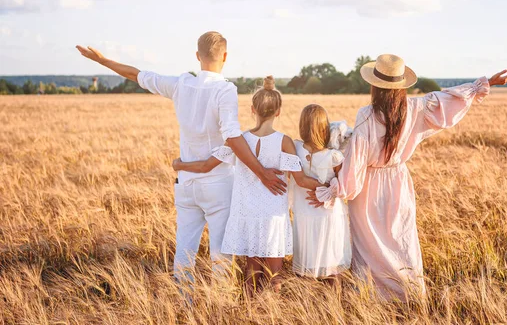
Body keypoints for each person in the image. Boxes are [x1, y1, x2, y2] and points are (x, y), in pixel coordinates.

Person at [74, 32, 287, 286]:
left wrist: (102, 61)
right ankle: (218, 307)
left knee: (184, 251)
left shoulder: (180, 84)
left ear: (197, 56)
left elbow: (137, 75)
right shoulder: (225, 89)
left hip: (186, 183)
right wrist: (262, 173)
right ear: (226, 57)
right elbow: (232, 136)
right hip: (218, 184)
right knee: (220, 254)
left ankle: (184, 303)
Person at [311, 54, 507, 300]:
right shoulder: (416, 108)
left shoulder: (366, 114)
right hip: (398, 181)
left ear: (375, 86)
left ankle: (370, 298)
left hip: (368, 184)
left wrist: (336, 188)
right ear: (401, 86)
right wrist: (485, 84)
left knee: (368, 244)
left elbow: (356, 160)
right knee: (401, 236)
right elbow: (448, 100)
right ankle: (408, 294)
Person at [172, 76, 324, 295]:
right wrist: (331, 185)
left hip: (247, 214)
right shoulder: (284, 142)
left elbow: (207, 166)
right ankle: (271, 315)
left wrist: (180, 164)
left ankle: (249, 313)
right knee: (274, 276)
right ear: (278, 111)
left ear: (252, 109)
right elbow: (300, 180)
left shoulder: (238, 140)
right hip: (273, 216)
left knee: (251, 272)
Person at [288, 104, 351, 281]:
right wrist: (326, 191)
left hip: (305, 213)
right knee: (333, 268)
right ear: (325, 127)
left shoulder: (295, 149)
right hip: (329, 214)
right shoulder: (334, 156)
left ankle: (307, 306)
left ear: (302, 126)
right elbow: (343, 184)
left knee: (306, 268)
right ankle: (335, 305)